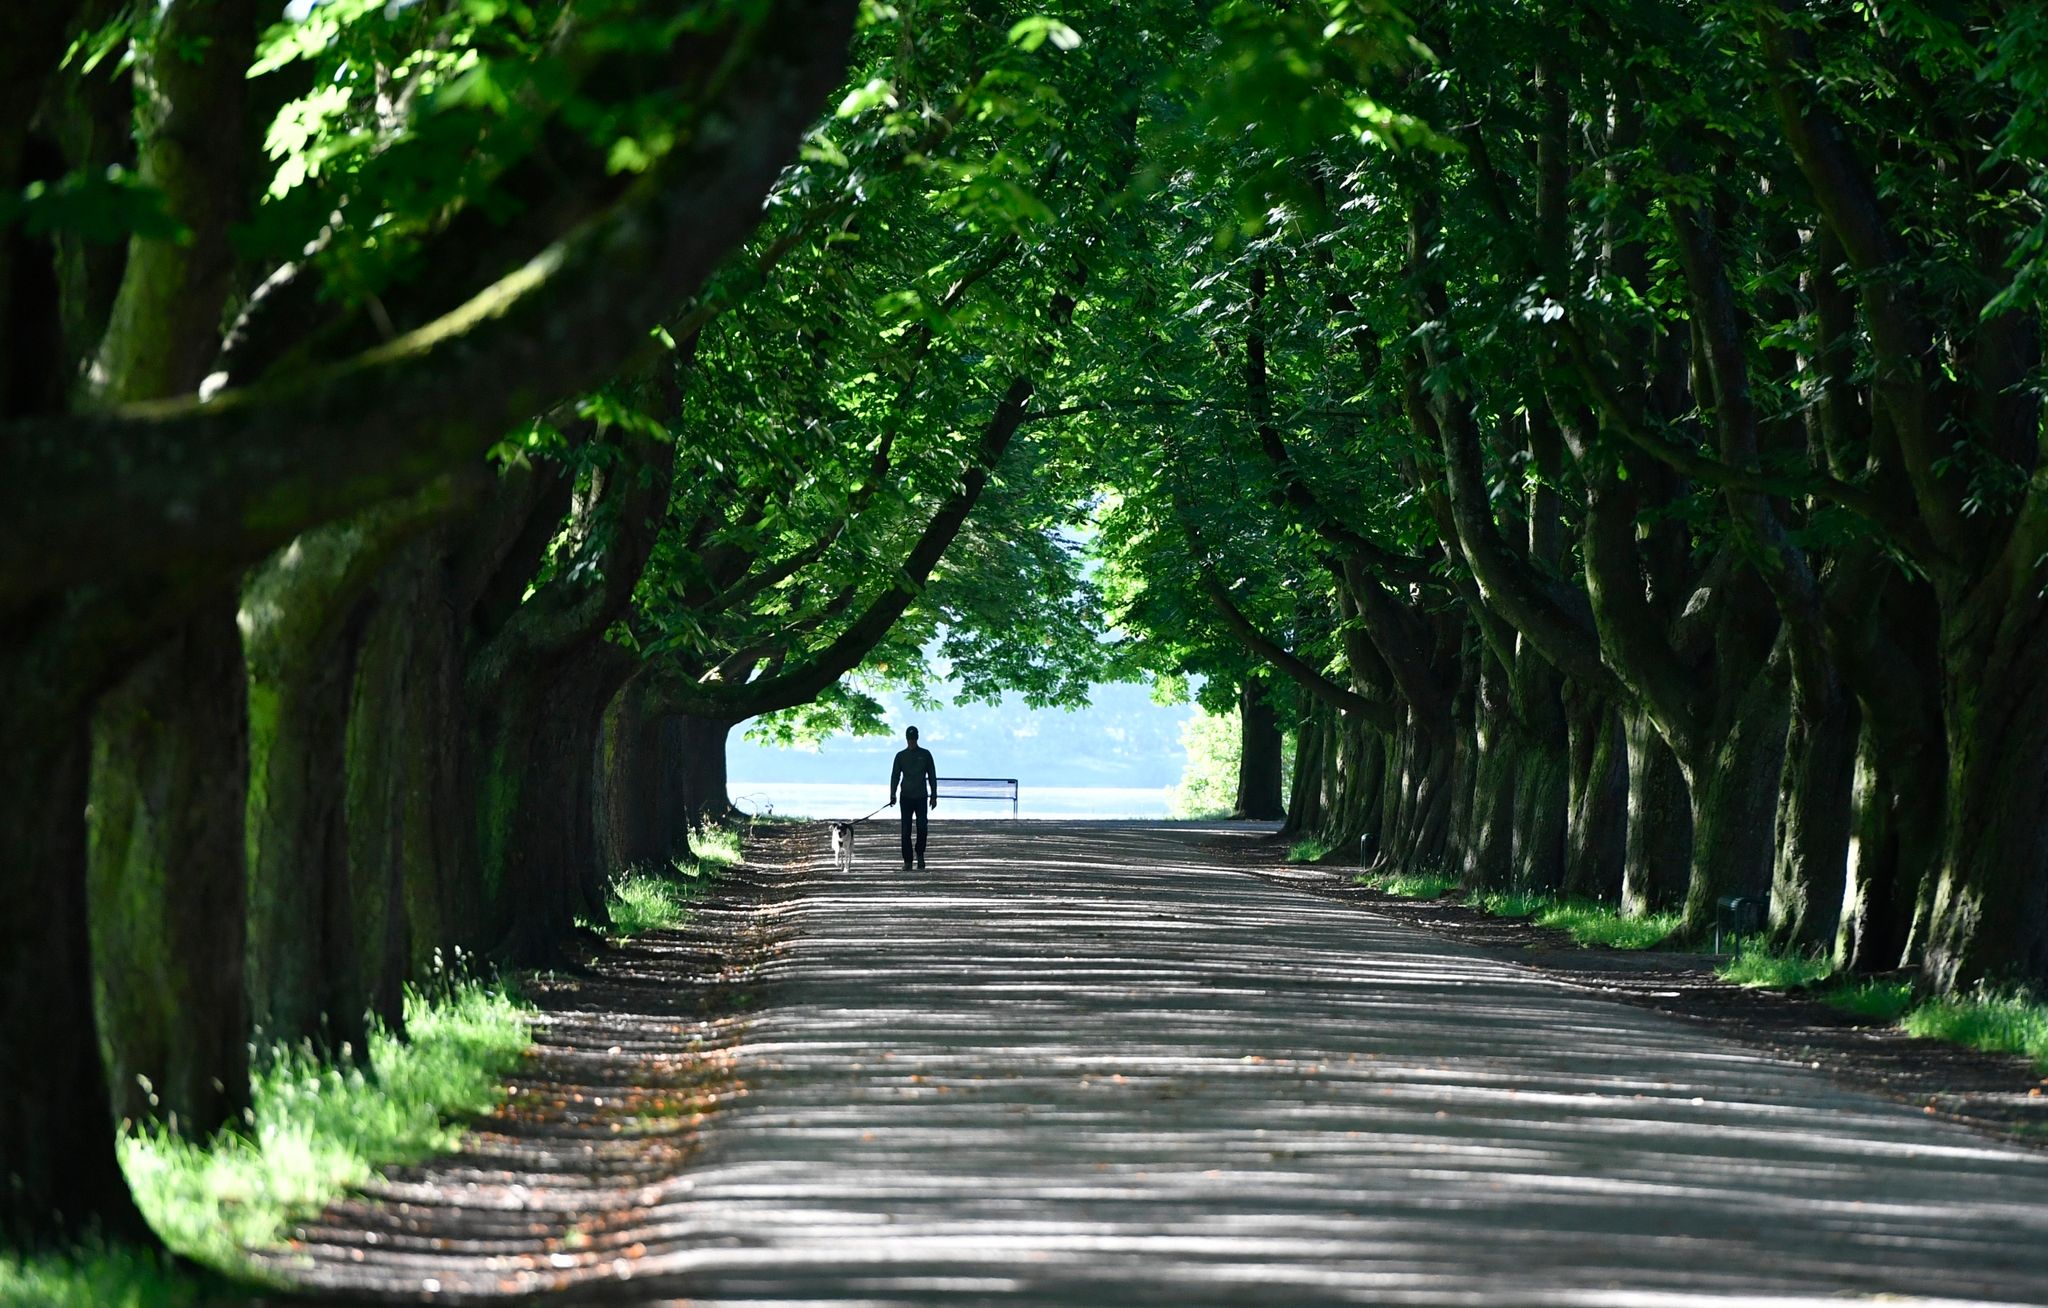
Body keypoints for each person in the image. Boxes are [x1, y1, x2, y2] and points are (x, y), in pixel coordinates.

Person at [888, 725, 938, 869]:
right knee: (906, 830)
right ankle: (907, 860)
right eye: (910, 739)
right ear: (906, 739)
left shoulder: (926, 754)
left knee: (922, 827)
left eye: (913, 739)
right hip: (906, 797)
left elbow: (932, 775)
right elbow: (895, 776)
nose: (911, 742)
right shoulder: (901, 756)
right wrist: (892, 794)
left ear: (917, 738)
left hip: (921, 797)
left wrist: (934, 795)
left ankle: (920, 853)